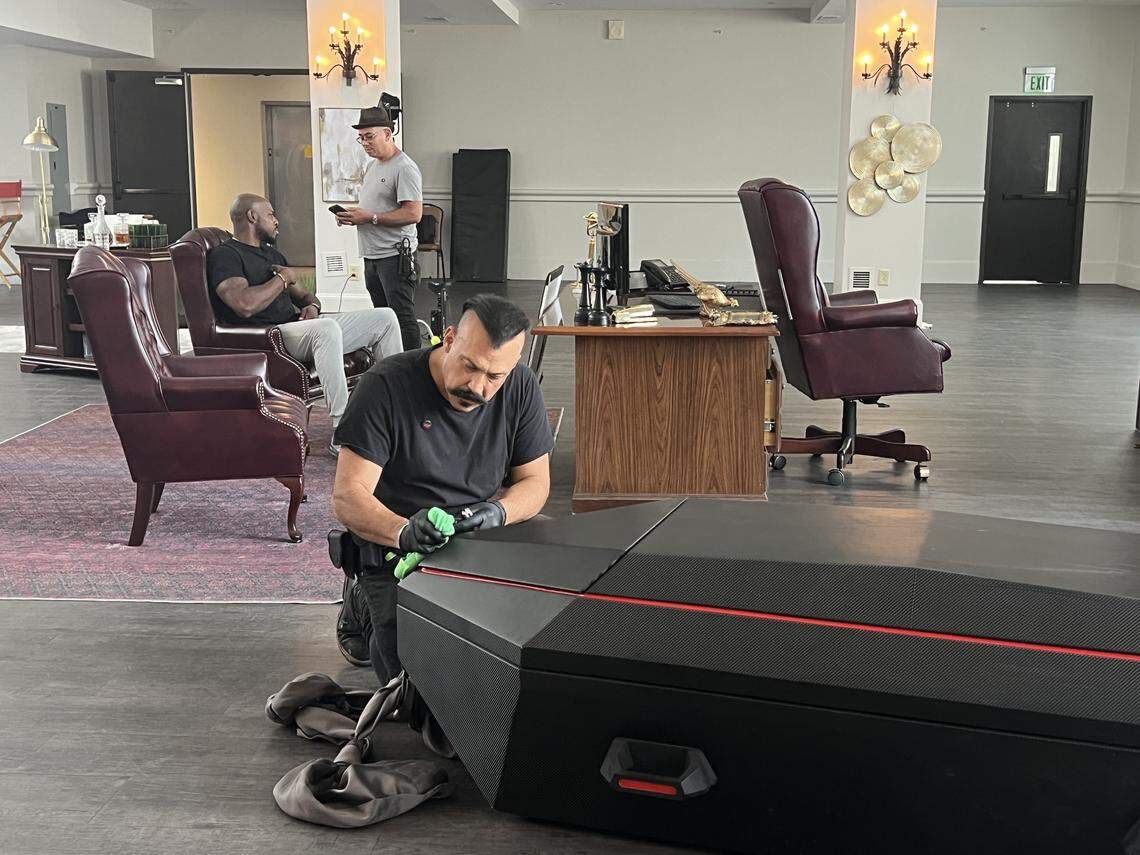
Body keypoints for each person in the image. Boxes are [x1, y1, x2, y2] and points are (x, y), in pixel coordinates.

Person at [331, 294, 553, 679]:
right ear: (448, 339)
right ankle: (362, 596)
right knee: (410, 679)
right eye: (470, 367)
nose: (478, 387)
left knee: (530, 645)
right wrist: (402, 531)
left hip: (476, 534)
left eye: (494, 377)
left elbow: (535, 482)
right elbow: (348, 496)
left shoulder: (521, 386)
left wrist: (499, 512)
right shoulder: (384, 386)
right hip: (393, 542)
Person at [207, 193, 402, 454]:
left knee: (385, 317)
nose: (277, 221)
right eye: (271, 214)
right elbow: (244, 305)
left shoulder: (272, 254)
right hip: (269, 336)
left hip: (299, 328)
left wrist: (312, 306)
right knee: (327, 329)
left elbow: (306, 296)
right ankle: (343, 430)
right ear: (252, 217)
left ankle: (398, 416)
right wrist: (283, 280)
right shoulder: (226, 255)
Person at [335, 105, 424, 352]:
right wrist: (353, 215)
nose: (364, 143)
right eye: (361, 138)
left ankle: (412, 368)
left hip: (395, 256)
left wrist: (370, 218)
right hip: (372, 255)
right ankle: (390, 365)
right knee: (383, 317)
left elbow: (413, 213)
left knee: (401, 318)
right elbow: (374, 206)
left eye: (369, 136)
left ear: (387, 134)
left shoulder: (404, 168)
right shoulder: (373, 166)